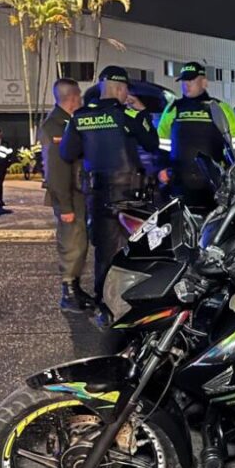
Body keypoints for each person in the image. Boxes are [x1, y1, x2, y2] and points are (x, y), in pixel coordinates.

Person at [60, 66, 157, 316]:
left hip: (99, 193)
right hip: (131, 194)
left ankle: (104, 304)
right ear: (122, 89)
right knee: (135, 249)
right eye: (126, 90)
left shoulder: (79, 117)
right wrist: (143, 112)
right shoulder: (127, 116)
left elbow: (67, 153)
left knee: (103, 250)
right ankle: (129, 303)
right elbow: (152, 144)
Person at [156, 62, 235, 210]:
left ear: (204, 82)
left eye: (191, 80)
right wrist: (161, 167)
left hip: (213, 184)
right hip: (179, 182)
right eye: (184, 81)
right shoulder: (173, 108)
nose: (186, 85)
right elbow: (162, 142)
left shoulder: (219, 108)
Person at [39, 78, 93, 313]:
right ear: (72, 98)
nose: (81, 100)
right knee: (71, 244)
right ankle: (68, 293)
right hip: (68, 197)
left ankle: (76, 288)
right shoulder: (55, 126)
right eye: (79, 96)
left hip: (77, 194)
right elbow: (56, 169)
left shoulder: (69, 122)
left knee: (79, 243)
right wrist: (65, 207)